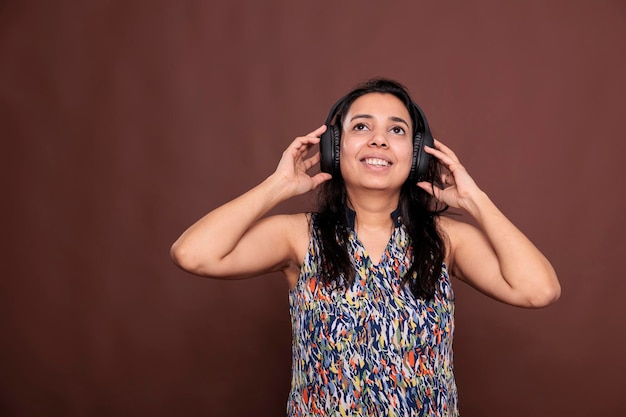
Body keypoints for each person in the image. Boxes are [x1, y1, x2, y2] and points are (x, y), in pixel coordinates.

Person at [170, 78, 560, 416]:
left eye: (397, 131)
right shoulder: (298, 236)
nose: (378, 140)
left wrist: (476, 200)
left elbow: (538, 290)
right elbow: (194, 254)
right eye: (361, 126)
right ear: (334, 148)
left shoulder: (446, 239)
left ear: (419, 153)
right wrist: (277, 186)